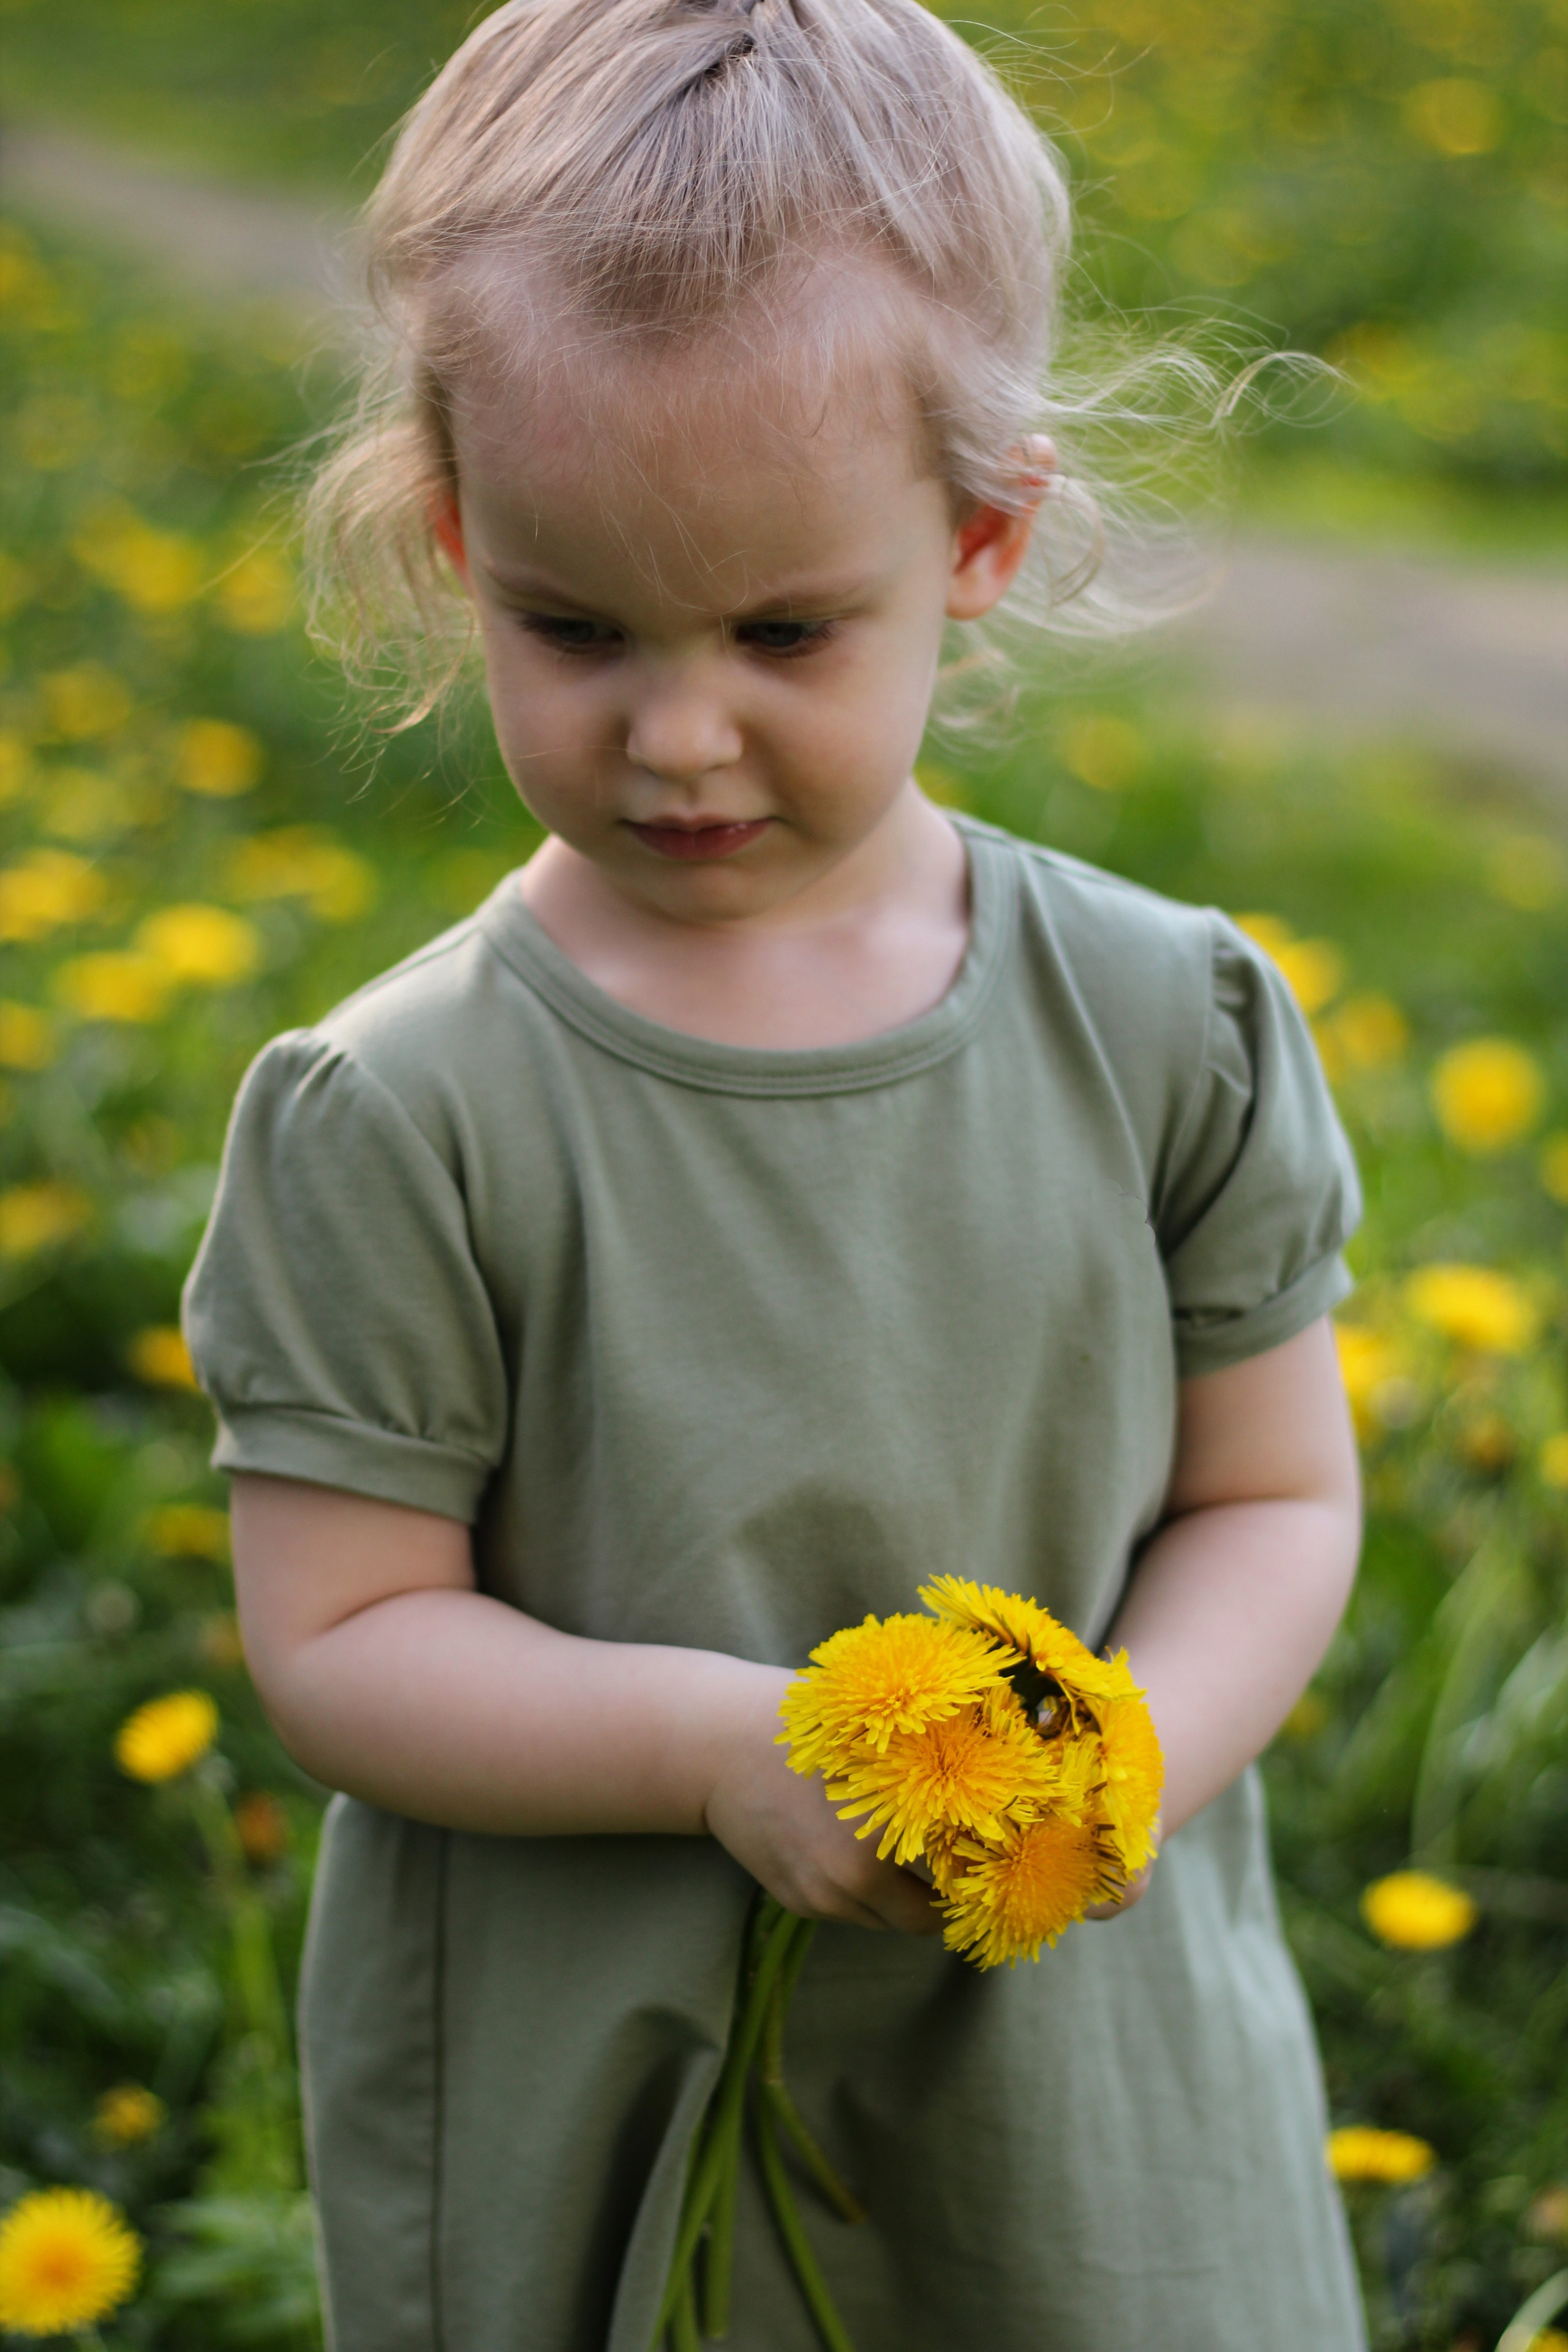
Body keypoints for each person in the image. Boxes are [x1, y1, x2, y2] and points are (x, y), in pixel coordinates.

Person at [183, 1, 1368, 2345]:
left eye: (787, 630)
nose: (682, 730)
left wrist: (1120, 1765)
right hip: (610, 2078)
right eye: (575, 627)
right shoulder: (403, 1107)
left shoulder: (1165, 1023)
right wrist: (732, 1753)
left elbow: (1276, 1502)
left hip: (1075, 2088)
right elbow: (339, 1640)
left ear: (983, 536)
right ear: (454, 541)